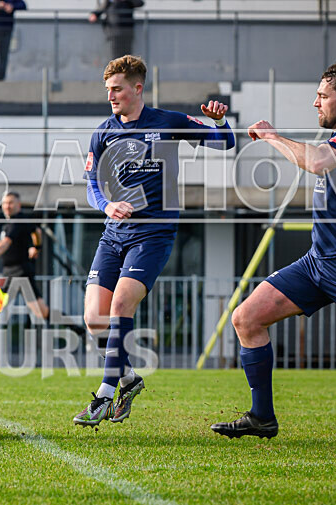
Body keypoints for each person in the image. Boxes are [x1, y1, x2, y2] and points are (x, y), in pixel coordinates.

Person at [211, 62, 336, 439]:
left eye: (323, 96)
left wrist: (273, 136)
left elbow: (319, 162)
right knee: (246, 318)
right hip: (317, 262)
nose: (315, 102)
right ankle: (262, 417)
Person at [73, 55, 235, 426]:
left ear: (138, 88)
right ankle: (129, 379)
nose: (111, 96)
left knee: (121, 307)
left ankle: (103, 394)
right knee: (94, 320)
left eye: (117, 89)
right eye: (108, 90)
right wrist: (107, 206)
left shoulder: (169, 121)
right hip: (113, 236)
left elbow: (224, 143)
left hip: (154, 235)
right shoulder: (102, 132)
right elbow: (91, 185)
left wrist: (220, 121)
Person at [0, 191, 48, 321]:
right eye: (5, 203)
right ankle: (79, 331)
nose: (7, 206)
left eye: (10, 203)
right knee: (41, 311)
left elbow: (6, 242)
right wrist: (36, 247)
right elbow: (37, 231)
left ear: (18, 205)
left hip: (17, 272)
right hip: (16, 272)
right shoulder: (21, 220)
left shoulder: (16, 221)